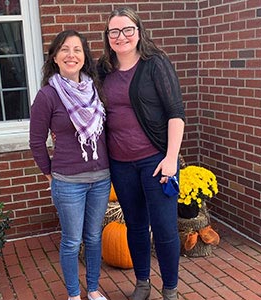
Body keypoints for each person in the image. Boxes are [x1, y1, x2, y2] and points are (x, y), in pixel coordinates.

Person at [97, 7, 185, 300]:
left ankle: (170, 288)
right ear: (108, 36)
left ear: (138, 31)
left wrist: (171, 158)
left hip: (156, 161)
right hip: (121, 164)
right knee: (134, 225)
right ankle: (143, 283)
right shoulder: (103, 70)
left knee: (163, 227)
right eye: (114, 31)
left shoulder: (155, 64)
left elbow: (175, 113)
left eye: (127, 30)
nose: (121, 36)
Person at [29, 30, 110, 300]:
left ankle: (94, 289)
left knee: (95, 238)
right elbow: (36, 141)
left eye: (77, 49)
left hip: (101, 178)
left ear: (85, 56)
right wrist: (49, 172)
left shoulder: (95, 90)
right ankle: (74, 294)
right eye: (64, 49)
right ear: (54, 57)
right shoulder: (47, 96)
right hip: (68, 182)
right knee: (72, 241)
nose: (71, 55)